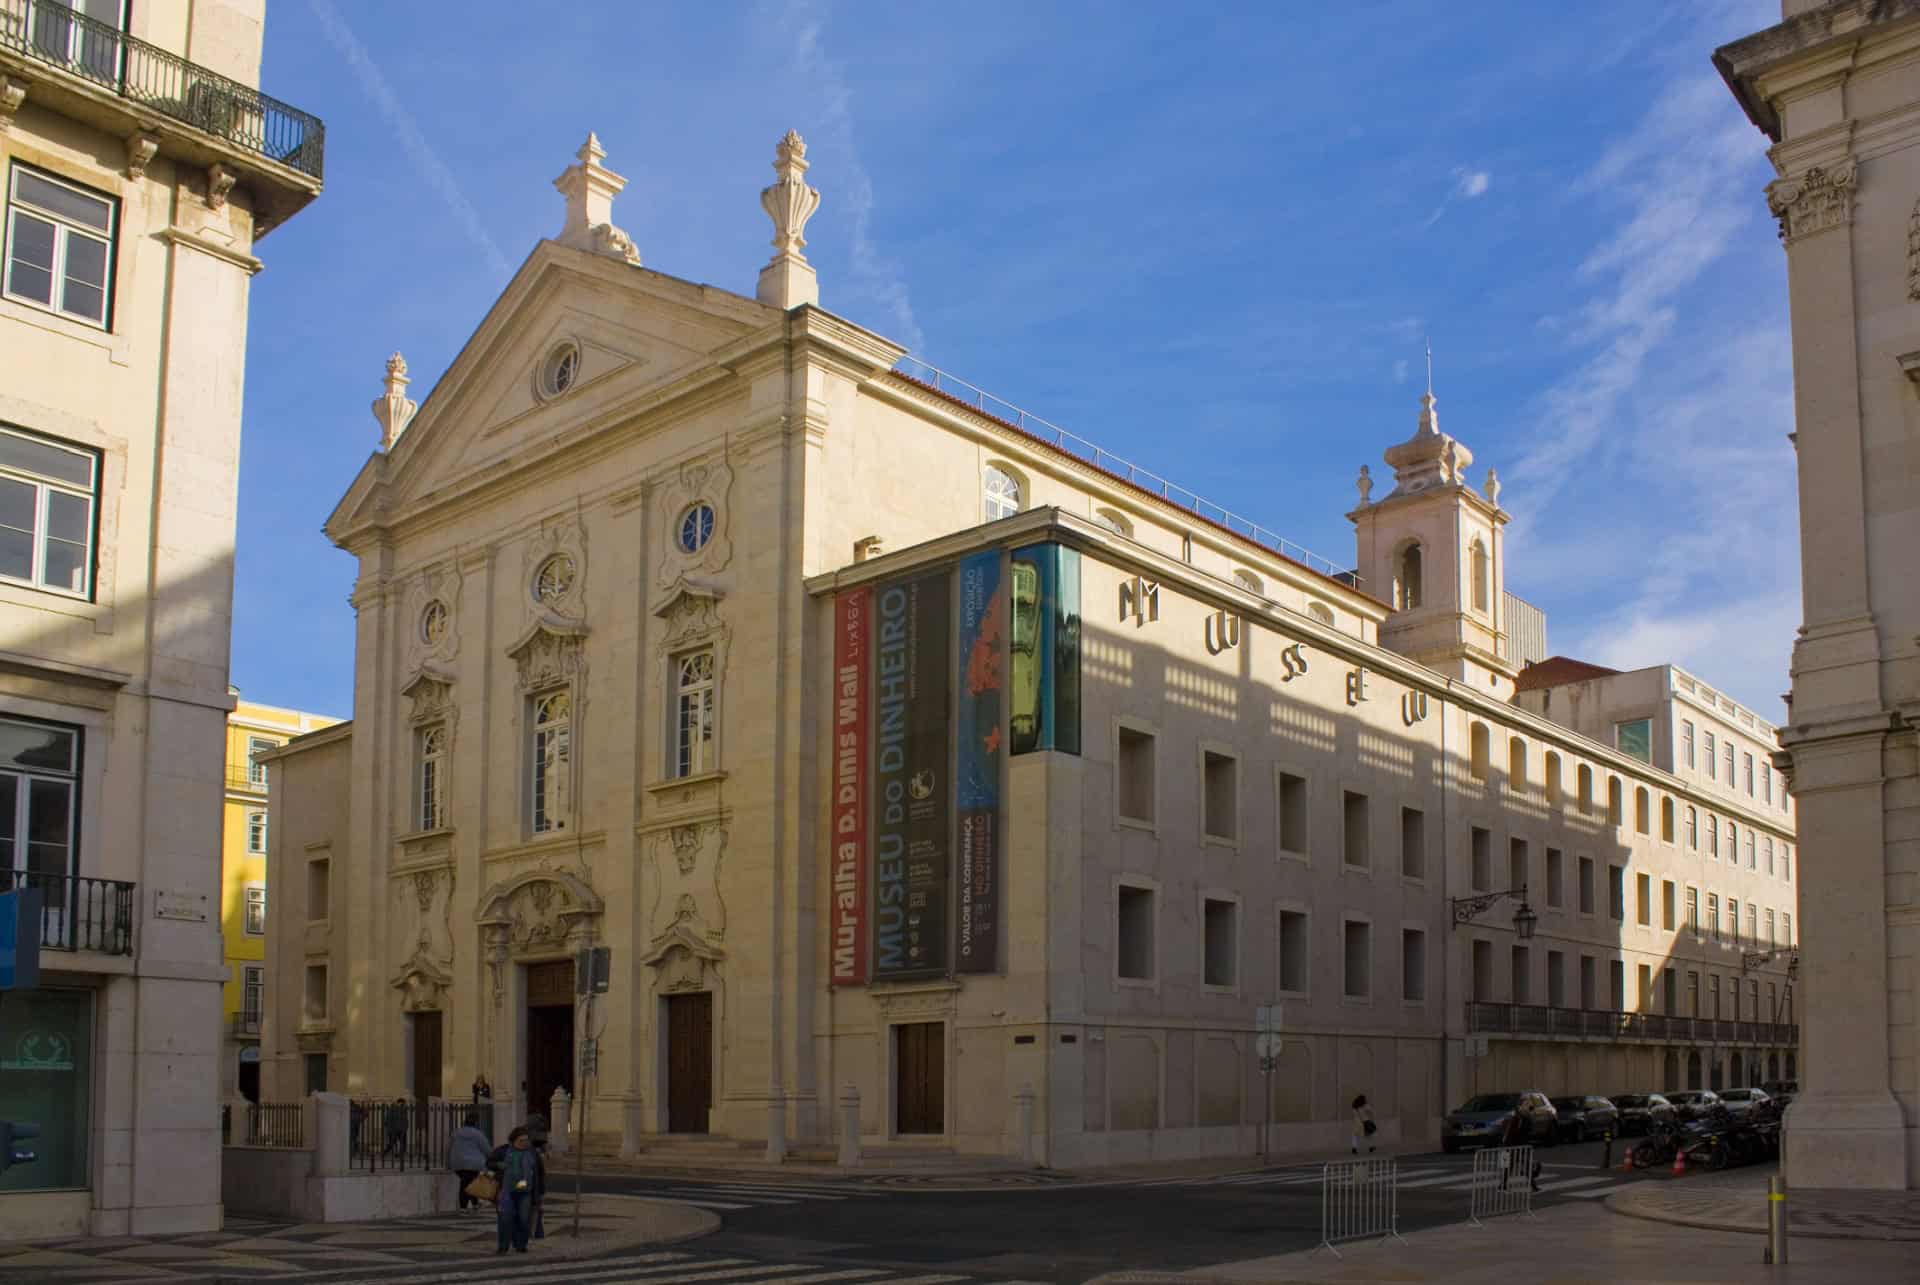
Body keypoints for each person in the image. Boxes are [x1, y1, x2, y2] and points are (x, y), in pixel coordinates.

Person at [488, 1126, 539, 1254]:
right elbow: (489, 1162)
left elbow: (539, 1174)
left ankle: (520, 1244)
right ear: (513, 1140)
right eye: (521, 1141)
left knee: (523, 1218)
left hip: (525, 1191)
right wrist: (498, 1165)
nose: (524, 1143)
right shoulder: (503, 1151)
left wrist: (539, 1193)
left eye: (526, 1140)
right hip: (506, 1190)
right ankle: (503, 1246)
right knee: (505, 1218)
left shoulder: (531, 1153)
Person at [448, 1112, 492, 1212]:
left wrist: (448, 1163)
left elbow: (449, 1148)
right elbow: (486, 1149)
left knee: (469, 1182)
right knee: (467, 1184)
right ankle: (463, 1207)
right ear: (476, 1123)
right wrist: (491, 1158)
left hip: (457, 1163)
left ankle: (475, 1204)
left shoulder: (456, 1132)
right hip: (473, 1163)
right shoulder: (478, 1134)